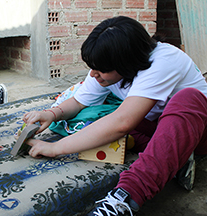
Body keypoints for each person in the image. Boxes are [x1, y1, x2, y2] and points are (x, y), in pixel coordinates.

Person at [22, 16, 207, 215]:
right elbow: (78, 102)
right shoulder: (110, 68)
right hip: (163, 132)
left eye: (100, 70)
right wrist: (51, 114)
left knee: (185, 98)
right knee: (104, 117)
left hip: (198, 132)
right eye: (92, 68)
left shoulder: (164, 60)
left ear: (126, 62)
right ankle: (176, 158)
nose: (93, 74)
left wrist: (55, 148)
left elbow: (122, 123)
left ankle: (125, 198)